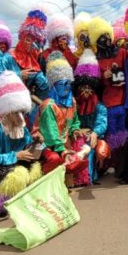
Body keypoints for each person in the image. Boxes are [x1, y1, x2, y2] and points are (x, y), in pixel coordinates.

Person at [0, 70, 44, 221]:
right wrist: (15, 156)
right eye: (16, 112)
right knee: (18, 174)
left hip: (10, 164)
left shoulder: (22, 129)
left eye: (22, 112)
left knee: (34, 168)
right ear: (6, 112)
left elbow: (28, 150)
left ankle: (15, 198)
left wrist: (38, 143)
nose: (20, 116)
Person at [39, 52, 91, 187]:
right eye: (63, 84)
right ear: (54, 85)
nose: (67, 87)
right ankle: (47, 186)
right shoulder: (49, 105)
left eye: (69, 83)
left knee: (81, 145)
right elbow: (50, 133)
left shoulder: (71, 101)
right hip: (46, 144)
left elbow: (74, 121)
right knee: (54, 158)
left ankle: (69, 183)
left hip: (64, 141)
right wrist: (62, 150)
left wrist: (75, 130)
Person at [94, 17, 128, 175]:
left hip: (122, 100)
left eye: (108, 35)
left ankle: (122, 162)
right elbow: (95, 83)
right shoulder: (96, 59)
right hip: (107, 102)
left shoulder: (121, 52)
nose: (106, 40)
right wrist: (104, 76)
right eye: (102, 37)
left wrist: (118, 71)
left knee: (122, 133)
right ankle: (110, 162)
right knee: (111, 133)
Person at [73, 49, 109, 184]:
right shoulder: (75, 105)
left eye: (89, 88)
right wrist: (76, 129)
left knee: (89, 146)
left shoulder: (99, 106)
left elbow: (102, 123)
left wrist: (94, 133)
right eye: (83, 87)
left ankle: (88, 177)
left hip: (94, 137)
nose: (86, 91)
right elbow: (72, 121)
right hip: (79, 134)